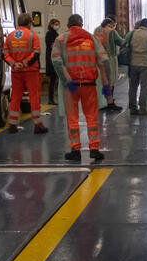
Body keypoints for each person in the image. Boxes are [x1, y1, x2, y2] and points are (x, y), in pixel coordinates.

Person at [51, 14, 111, 161]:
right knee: (91, 116)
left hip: (71, 86)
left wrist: (66, 79)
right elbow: (104, 61)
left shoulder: (60, 39)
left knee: (72, 118)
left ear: (67, 25)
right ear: (82, 24)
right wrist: (106, 84)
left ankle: (75, 150)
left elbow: (56, 61)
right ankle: (94, 149)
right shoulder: (92, 38)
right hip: (89, 84)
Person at [4, 13, 48, 134]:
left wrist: (14, 64)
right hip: (31, 71)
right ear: (29, 23)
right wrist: (24, 63)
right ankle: (38, 125)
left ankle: (12, 124)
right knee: (33, 96)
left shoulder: (9, 36)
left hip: (16, 72)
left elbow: (5, 54)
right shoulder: (32, 36)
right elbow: (36, 53)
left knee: (15, 97)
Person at [124, 18, 147, 115]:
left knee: (133, 86)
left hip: (133, 63)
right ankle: (142, 108)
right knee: (144, 86)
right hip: (145, 64)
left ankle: (132, 107)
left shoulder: (132, 34)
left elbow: (124, 44)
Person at [94, 17, 126, 111]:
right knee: (110, 80)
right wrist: (128, 39)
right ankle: (110, 102)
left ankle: (102, 102)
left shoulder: (97, 30)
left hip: (99, 58)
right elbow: (121, 42)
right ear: (111, 24)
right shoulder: (112, 31)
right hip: (110, 58)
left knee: (102, 80)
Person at [45, 18, 61, 105]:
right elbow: (52, 45)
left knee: (54, 80)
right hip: (50, 59)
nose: (57, 26)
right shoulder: (50, 34)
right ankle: (50, 99)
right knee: (52, 80)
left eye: (58, 24)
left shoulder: (56, 34)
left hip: (54, 57)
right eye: (55, 24)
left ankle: (52, 99)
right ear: (51, 25)